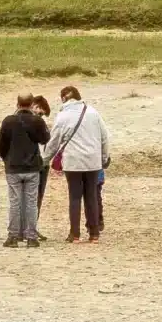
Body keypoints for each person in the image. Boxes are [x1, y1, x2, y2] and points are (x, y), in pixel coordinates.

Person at [48, 84, 113, 243]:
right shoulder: (93, 112)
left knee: (75, 197)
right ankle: (94, 234)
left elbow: (54, 141)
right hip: (93, 161)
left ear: (64, 98)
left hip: (73, 162)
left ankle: (74, 234)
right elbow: (104, 137)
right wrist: (104, 158)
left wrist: (44, 159)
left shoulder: (62, 116)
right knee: (91, 195)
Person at [0, 94, 51, 246]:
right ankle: (31, 237)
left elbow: (0, 144)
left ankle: (13, 236)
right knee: (31, 202)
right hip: (32, 167)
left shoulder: (8, 121)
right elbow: (45, 139)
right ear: (31, 103)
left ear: (18, 103)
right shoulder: (37, 121)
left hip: (13, 167)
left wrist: (6, 158)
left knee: (15, 202)